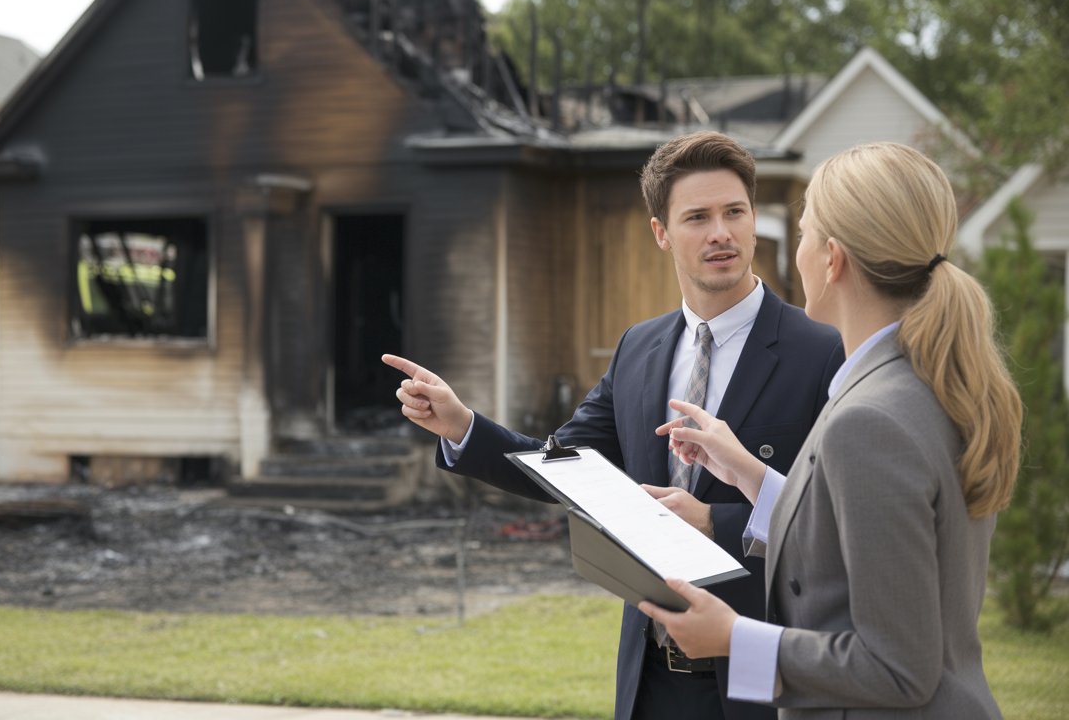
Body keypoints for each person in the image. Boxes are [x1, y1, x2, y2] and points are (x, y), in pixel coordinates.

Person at [383, 130, 844, 720]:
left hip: (762, 682)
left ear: (755, 220)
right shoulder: (639, 348)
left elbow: (838, 520)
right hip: (649, 680)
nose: (721, 233)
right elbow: (566, 468)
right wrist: (462, 425)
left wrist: (714, 521)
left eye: (734, 212)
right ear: (661, 233)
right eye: (697, 217)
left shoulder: (821, 350)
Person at [644, 142, 1021, 719]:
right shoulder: (922, 382)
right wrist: (752, 476)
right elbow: (859, 549)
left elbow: (898, 668)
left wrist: (733, 639)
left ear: (832, 259)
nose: (794, 254)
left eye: (803, 235)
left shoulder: (870, 419)